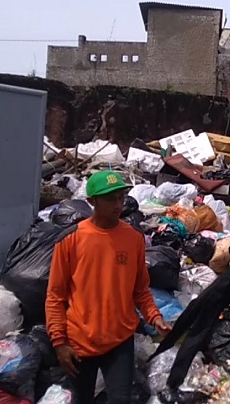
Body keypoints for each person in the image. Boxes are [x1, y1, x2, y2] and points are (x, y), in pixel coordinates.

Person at [46, 171, 172, 403]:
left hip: (119, 340)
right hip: (80, 340)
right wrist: (60, 343)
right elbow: (55, 297)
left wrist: (155, 318)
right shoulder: (71, 240)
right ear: (92, 201)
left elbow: (140, 290)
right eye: (110, 199)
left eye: (121, 198)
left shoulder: (133, 238)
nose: (117, 205)